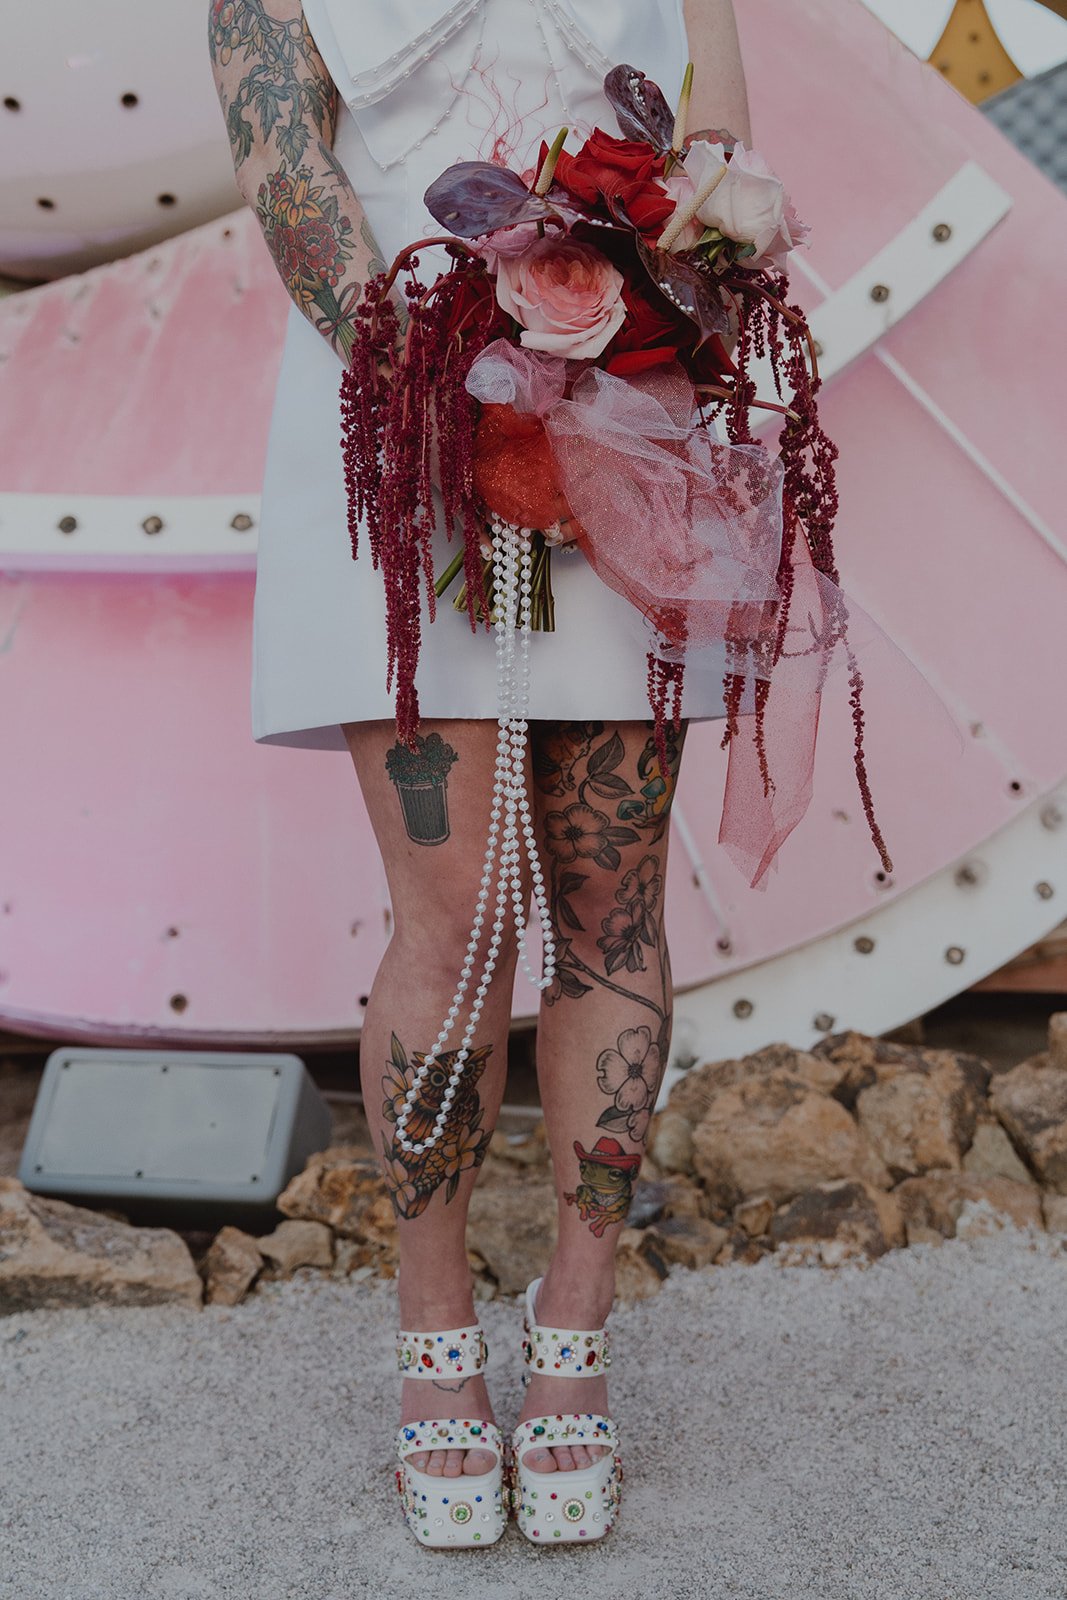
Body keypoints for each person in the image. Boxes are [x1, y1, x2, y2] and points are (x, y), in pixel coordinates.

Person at [210, 0, 752, 1548]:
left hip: (629, 414)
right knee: (451, 906)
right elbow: (283, 162)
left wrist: (654, 317)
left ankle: (575, 1343)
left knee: (611, 897)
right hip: (395, 409)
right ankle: (434, 1334)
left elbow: (720, 157)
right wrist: (441, 362)